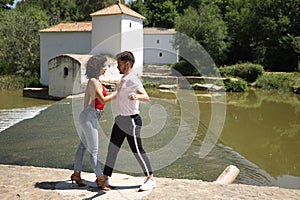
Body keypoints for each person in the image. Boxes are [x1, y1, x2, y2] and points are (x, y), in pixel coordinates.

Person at [103, 51, 156, 191]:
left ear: (127, 64)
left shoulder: (133, 79)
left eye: (119, 64)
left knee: (137, 150)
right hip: (121, 119)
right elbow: (118, 94)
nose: (117, 67)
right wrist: (102, 99)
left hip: (131, 120)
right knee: (112, 149)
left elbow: (146, 96)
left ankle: (150, 179)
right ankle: (105, 178)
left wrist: (136, 96)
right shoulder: (124, 79)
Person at [71, 55, 116, 190]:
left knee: (82, 147)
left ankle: (77, 175)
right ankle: (100, 180)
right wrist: (117, 93)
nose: (106, 68)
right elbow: (102, 100)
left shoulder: (94, 81)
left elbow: (86, 101)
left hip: (89, 116)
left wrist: (87, 117)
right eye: (104, 66)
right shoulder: (94, 82)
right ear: (98, 68)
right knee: (94, 152)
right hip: (90, 117)